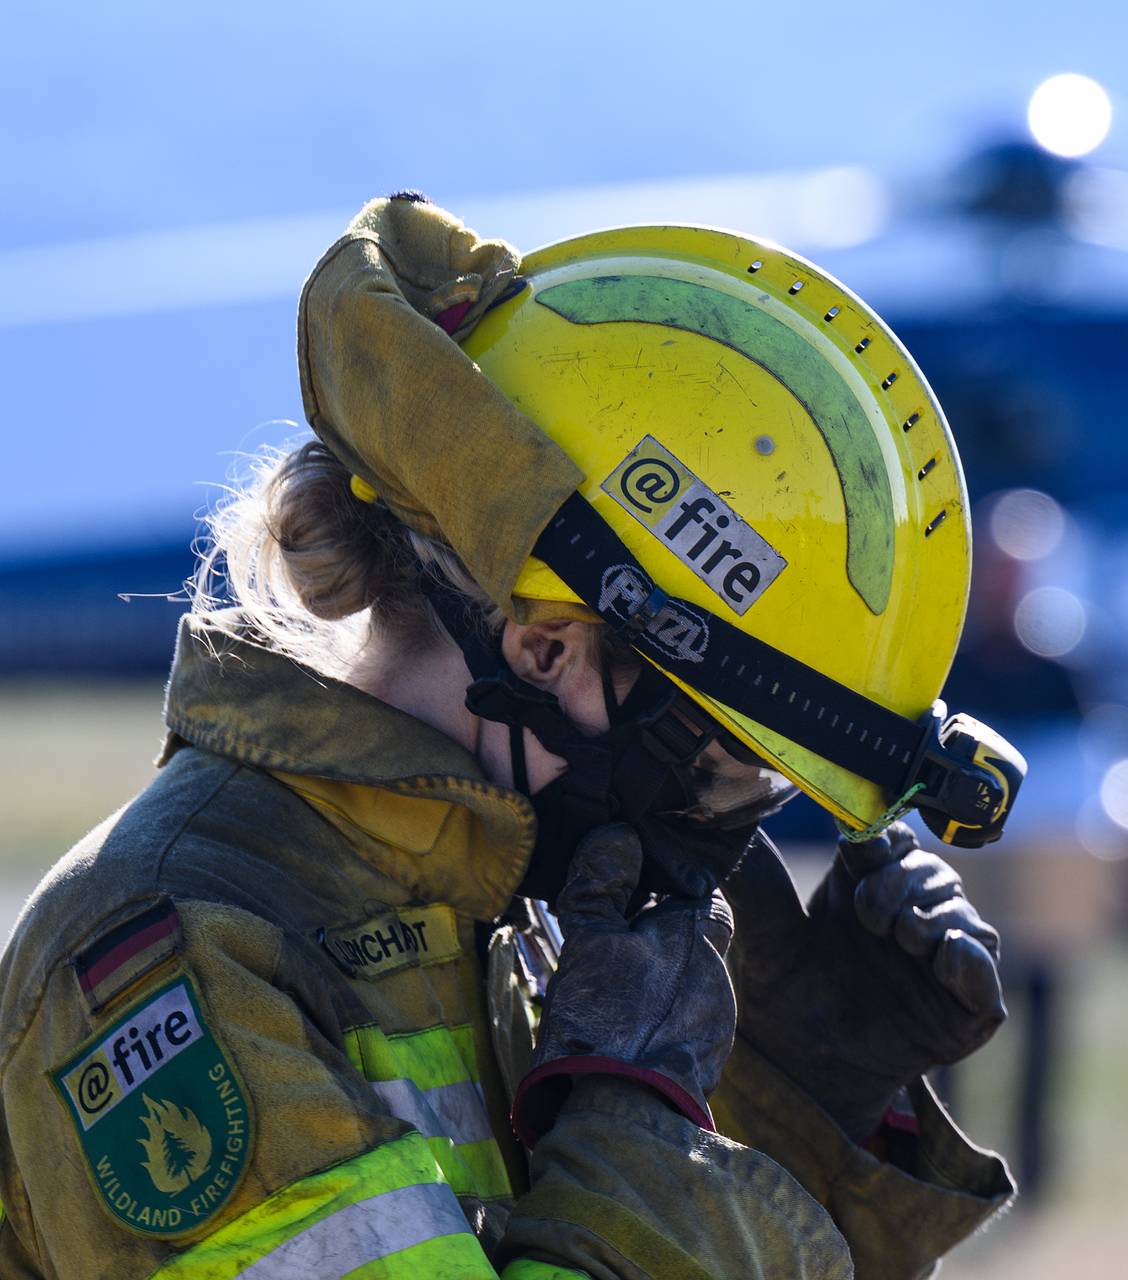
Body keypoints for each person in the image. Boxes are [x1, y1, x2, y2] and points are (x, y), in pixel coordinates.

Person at [0, 195, 1018, 1278]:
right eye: (727, 760)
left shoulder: (503, 922)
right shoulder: (179, 954)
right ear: (547, 653)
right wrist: (636, 1120)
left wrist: (806, 1101)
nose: (723, 824)